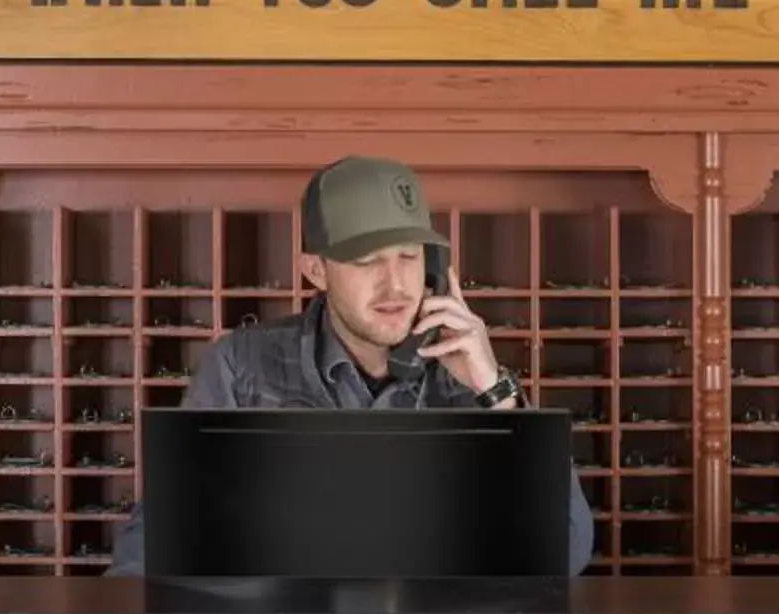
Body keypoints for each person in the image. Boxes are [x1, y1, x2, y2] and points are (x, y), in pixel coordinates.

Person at [107, 156, 595, 575]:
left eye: (408, 257)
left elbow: (565, 553)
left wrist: (497, 395)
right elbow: (156, 543)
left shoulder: (470, 374)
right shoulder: (242, 365)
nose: (396, 286)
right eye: (366, 261)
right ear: (316, 270)